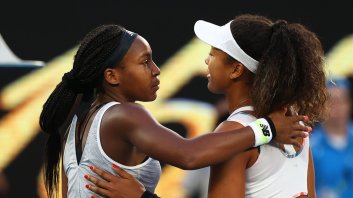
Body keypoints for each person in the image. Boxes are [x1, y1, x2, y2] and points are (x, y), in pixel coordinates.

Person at [39, 24, 310, 197]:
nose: (157, 70)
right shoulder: (124, 115)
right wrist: (269, 128)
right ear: (112, 76)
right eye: (145, 62)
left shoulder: (77, 122)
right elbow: (189, 155)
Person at [310, 78, 353, 198]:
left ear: (350, 104)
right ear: (321, 108)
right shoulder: (311, 147)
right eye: (332, 102)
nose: (337, 108)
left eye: (342, 101)